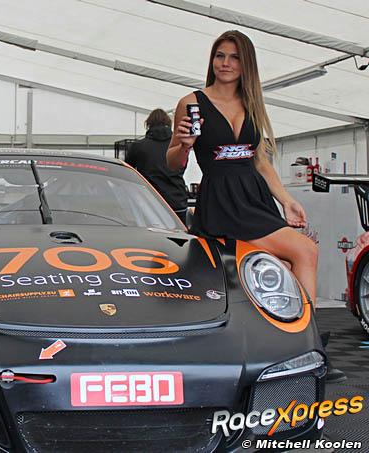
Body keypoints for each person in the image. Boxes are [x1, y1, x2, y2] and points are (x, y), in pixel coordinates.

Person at [166, 30, 344, 383]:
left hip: (256, 198)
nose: (225, 63)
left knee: (287, 262)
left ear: (246, 64)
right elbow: (172, 163)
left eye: (234, 57)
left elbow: (260, 161)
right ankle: (306, 346)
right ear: (212, 60)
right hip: (221, 199)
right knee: (303, 251)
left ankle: (293, 346)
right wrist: (184, 145)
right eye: (220, 55)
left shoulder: (252, 103)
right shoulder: (191, 102)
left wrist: (288, 200)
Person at [125, 108, 188, 223]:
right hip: (177, 200)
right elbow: (182, 166)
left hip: (149, 202)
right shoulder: (178, 146)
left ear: (149, 124)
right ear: (169, 124)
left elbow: (128, 172)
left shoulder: (138, 146)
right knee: (180, 233)